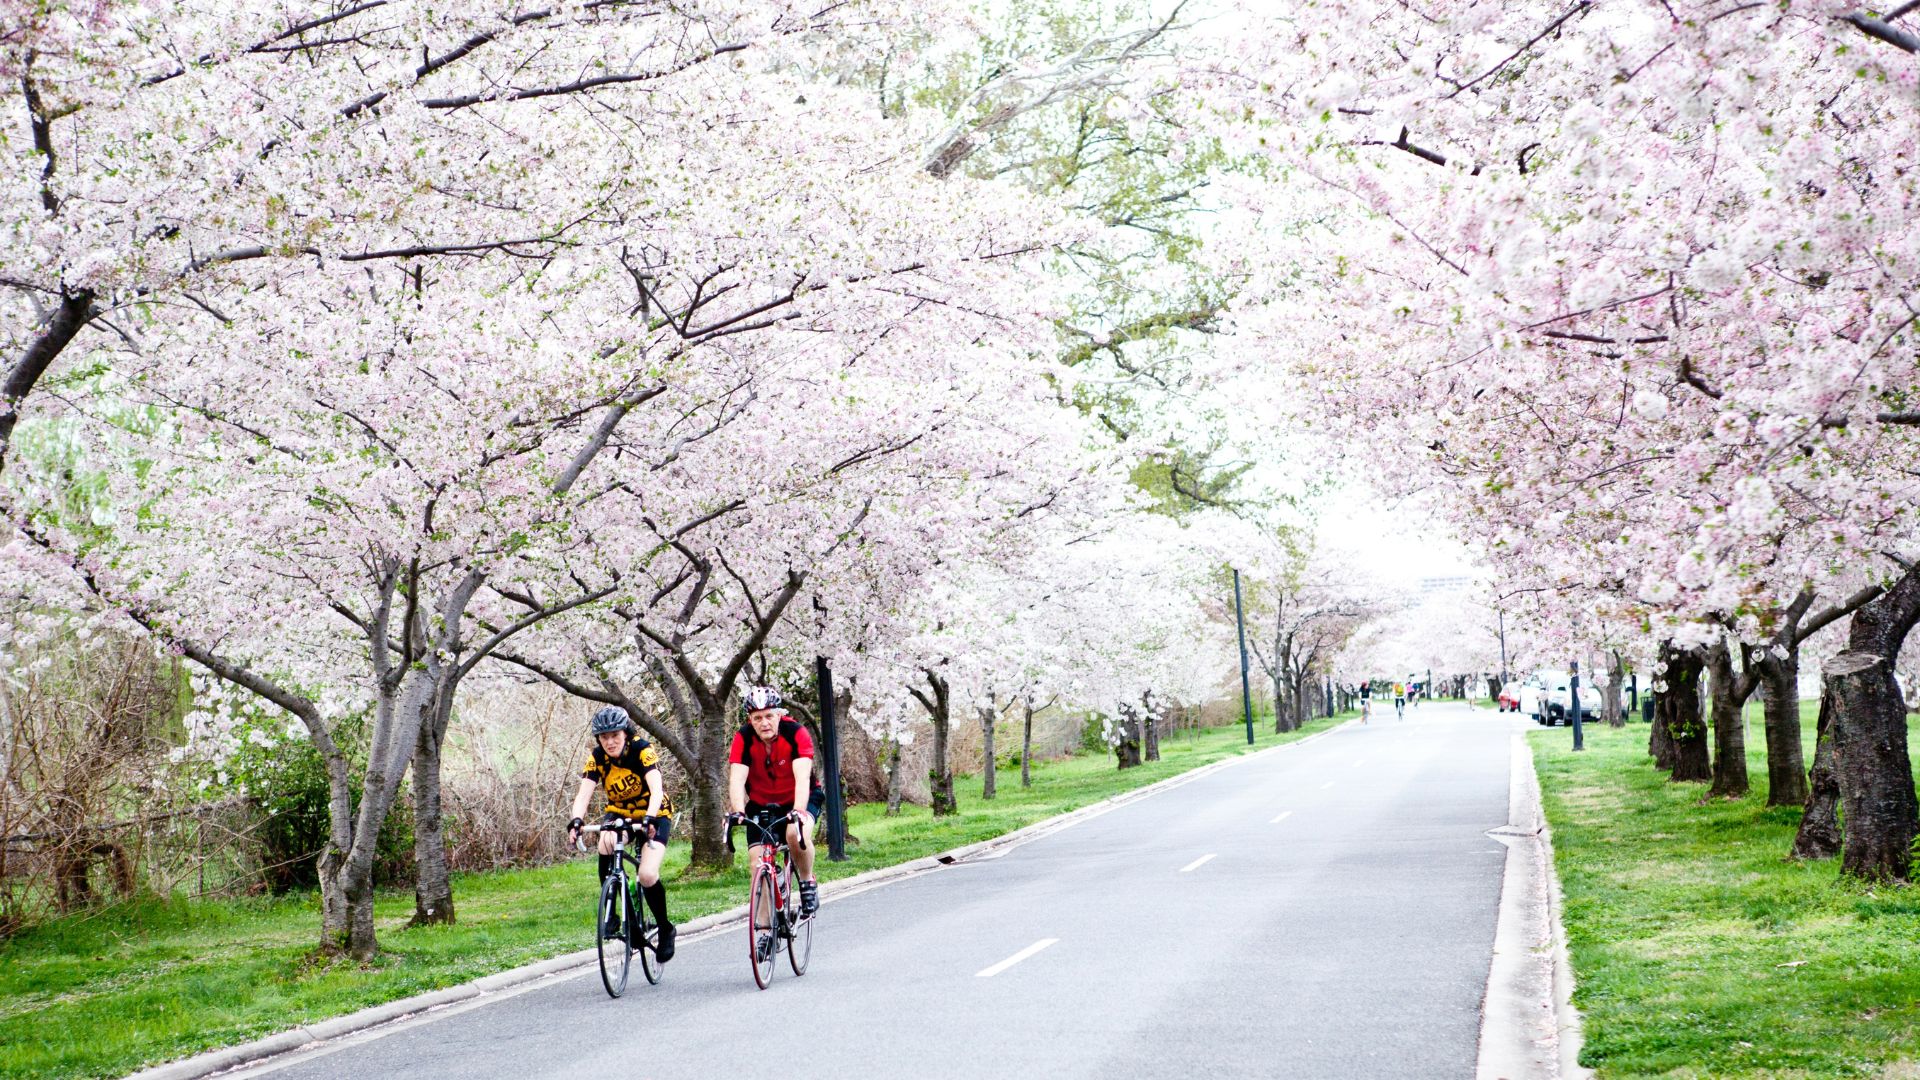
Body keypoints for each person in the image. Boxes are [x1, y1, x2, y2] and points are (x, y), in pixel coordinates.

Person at [567, 705, 676, 962]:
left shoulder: (642, 749)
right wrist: (576, 820)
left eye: (615, 735)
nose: (610, 742)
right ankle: (615, 913)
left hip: (654, 812)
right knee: (606, 845)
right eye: (604, 737)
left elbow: (656, 788)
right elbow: (584, 793)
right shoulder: (597, 757)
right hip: (620, 813)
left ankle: (665, 927)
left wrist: (649, 817)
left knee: (647, 874)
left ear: (626, 733)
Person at [725, 684, 825, 917]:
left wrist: (798, 810)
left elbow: (802, 777)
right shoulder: (744, 738)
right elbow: (737, 778)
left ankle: (808, 881)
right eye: (757, 718)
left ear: (779, 714)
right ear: (750, 719)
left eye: (769, 716)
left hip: (801, 797)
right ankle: (762, 931)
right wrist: (738, 812)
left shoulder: (796, 732)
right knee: (756, 864)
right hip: (761, 803)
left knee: (794, 834)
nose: (764, 723)